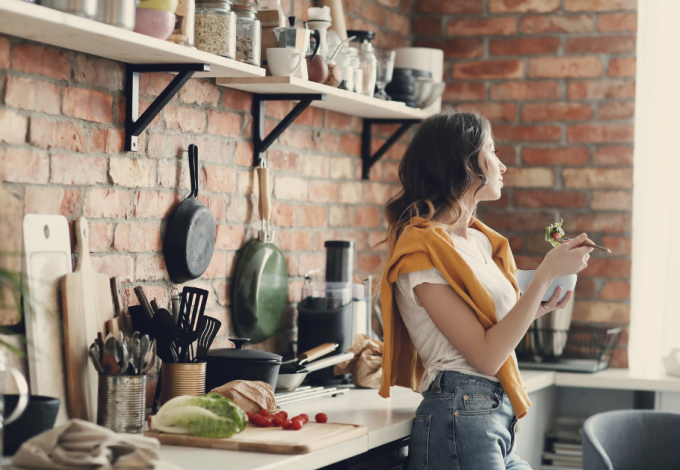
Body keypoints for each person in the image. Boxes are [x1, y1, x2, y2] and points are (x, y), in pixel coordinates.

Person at [377, 112, 594, 470]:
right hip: (460, 413)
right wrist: (544, 274)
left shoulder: (478, 240)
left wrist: (536, 305)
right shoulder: (422, 250)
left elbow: (492, 330)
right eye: (492, 151)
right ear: (464, 166)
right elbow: (485, 356)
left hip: (492, 414)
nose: (502, 165)